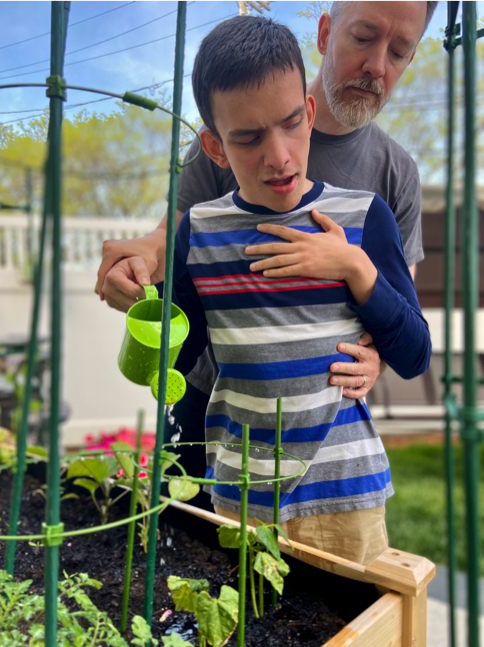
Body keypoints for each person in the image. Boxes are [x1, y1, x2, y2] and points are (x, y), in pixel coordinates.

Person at [96, 1, 437, 511]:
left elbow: (399, 317)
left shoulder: (393, 179)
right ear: (325, 33)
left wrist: (378, 355)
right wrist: (140, 270)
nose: (377, 66)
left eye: (400, 51)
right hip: (218, 418)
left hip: (328, 447)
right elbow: (177, 237)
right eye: (364, 38)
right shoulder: (226, 127)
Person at [169, 14, 431, 565]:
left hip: (345, 494)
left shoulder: (365, 216)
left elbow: (414, 355)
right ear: (216, 148)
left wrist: (356, 268)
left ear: (309, 113)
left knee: (353, 638)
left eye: (291, 124)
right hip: (241, 495)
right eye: (249, 138)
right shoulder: (198, 233)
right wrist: (146, 319)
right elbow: (178, 357)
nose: (279, 156)